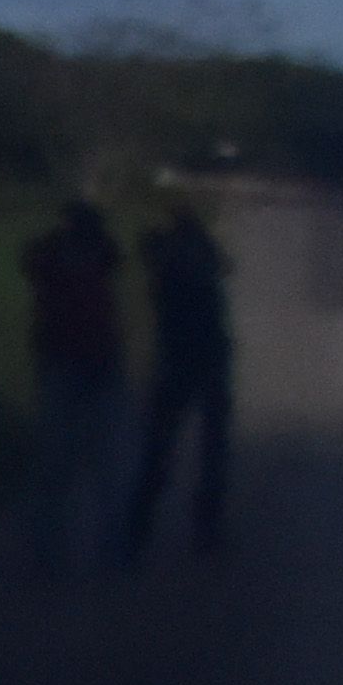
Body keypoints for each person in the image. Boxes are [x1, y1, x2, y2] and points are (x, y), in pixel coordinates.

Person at [120, 199, 235, 562]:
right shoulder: (196, 254)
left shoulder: (164, 258)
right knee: (209, 449)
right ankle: (204, 530)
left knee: (160, 448)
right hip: (206, 357)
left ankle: (137, 531)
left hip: (177, 360)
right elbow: (221, 268)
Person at [19, 194, 127, 572]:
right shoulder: (94, 255)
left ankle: (49, 552)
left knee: (58, 466)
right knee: (106, 466)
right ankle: (108, 551)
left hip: (67, 365)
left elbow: (29, 263)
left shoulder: (52, 257)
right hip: (92, 365)